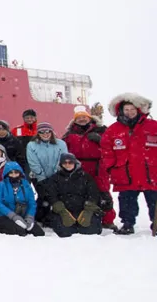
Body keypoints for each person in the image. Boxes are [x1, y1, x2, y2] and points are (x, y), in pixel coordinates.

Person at [100, 92, 157, 235]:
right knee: (126, 202)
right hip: (125, 173)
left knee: (154, 201)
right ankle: (127, 224)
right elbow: (106, 151)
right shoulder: (113, 130)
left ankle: (155, 223)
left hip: (150, 173)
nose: (130, 112)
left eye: (132, 109)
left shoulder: (153, 126)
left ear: (138, 110)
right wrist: (112, 167)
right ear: (121, 111)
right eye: (126, 110)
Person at [63, 107, 115, 230]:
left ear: (89, 118)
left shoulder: (101, 130)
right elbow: (62, 149)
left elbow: (111, 145)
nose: (82, 119)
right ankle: (83, 218)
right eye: (79, 118)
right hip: (78, 167)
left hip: (98, 166)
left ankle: (108, 220)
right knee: (81, 193)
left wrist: (100, 140)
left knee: (103, 193)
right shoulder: (70, 134)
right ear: (75, 120)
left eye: (84, 117)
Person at [41, 153, 102, 237]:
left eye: (70, 162)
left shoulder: (86, 177)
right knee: (65, 232)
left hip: (83, 208)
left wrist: (88, 210)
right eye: (65, 163)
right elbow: (51, 195)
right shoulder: (54, 178)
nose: (67, 165)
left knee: (92, 230)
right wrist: (62, 211)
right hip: (64, 209)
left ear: (75, 163)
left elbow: (93, 193)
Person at [0, 161, 44, 237]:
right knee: (21, 231)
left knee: (39, 233)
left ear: (20, 173)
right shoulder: (0, 185)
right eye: (11, 173)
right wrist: (12, 216)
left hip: (22, 214)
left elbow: (32, 203)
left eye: (16, 172)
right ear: (7, 174)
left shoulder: (26, 185)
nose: (14, 175)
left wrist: (30, 216)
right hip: (5, 215)